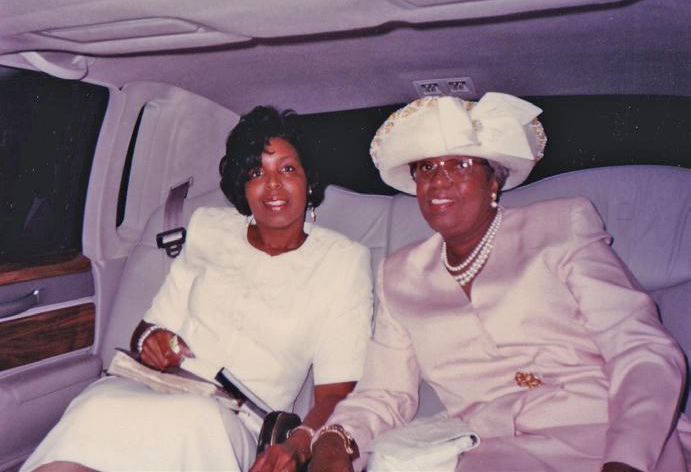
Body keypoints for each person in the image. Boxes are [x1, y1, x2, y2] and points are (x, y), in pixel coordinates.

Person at [308, 93, 691, 472]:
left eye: (460, 164)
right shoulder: (399, 275)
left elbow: (642, 350)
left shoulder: (561, 226)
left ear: (493, 180)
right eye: (426, 167)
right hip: (500, 453)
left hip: (615, 434)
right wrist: (334, 440)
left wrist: (626, 460)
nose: (439, 180)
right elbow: (384, 394)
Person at [21, 106, 373, 472]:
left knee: (193, 418)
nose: (272, 185)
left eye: (287, 169)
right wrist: (153, 340)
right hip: (155, 387)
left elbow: (337, 393)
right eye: (256, 172)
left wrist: (298, 444)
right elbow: (148, 330)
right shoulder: (208, 228)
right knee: (95, 405)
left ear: (309, 180)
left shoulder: (343, 262)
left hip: (233, 420)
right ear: (243, 186)